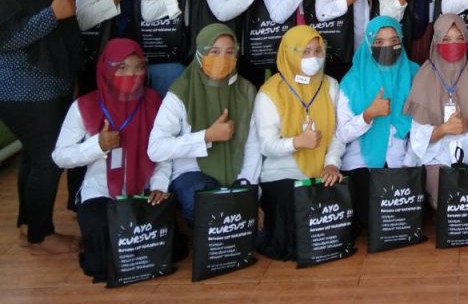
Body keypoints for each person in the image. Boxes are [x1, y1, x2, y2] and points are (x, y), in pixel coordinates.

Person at [52, 39, 169, 283]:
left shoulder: (153, 101)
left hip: (143, 190)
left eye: (138, 67)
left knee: (162, 244)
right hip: (100, 189)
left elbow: (165, 151)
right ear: (106, 69)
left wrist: (159, 184)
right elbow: (60, 156)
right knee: (102, 244)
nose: (132, 75)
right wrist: (97, 145)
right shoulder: (85, 106)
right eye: (122, 68)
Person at [0, 0, 80, 254]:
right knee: (49, 158)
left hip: (49, 82)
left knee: (34, 157)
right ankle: (40, 234)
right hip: (22, 88)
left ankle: (27, 225)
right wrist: (52, 15)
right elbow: (6, 38)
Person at [147, 23, 260, 225]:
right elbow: (156, 149)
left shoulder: (246, 91)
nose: (222, 59)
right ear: (200, 53)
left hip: (237, 176)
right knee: (206, 206)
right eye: (214, 51)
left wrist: (248, 191)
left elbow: (253, 146)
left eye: (229, 52)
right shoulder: (181, 92)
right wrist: (206, 137)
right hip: (193, 173)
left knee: (257, 233)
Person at [253, 26, 344, 260]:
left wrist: (332, 164)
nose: (313, 57)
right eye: (305, 51)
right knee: (296, 222)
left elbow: (337, 135)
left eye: (317, 50)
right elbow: (267, 146)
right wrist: (297, 142)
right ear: (289, 53)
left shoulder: (330, 85)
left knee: (334, 218)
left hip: (320, 171)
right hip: (281, 173)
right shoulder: (270, 92)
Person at [336, 16, 418, 232]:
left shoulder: (414, 73)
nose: (387, 47)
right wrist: (367, 115)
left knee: (400, 218)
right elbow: (341, 134)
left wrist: (409, 164)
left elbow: (421, 128)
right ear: (368, 43)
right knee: (372, 218)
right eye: (379, 42)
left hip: (401, 159)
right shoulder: (352, 80)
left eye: (393, 40)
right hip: (361, 161)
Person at [404, 14, 468, 208]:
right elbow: (418, 135)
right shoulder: (424, 76)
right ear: (436, 41)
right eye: (446, 39)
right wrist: (443, 129)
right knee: (451, 206)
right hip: (436, 157)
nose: (453, 44)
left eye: (459, 38)